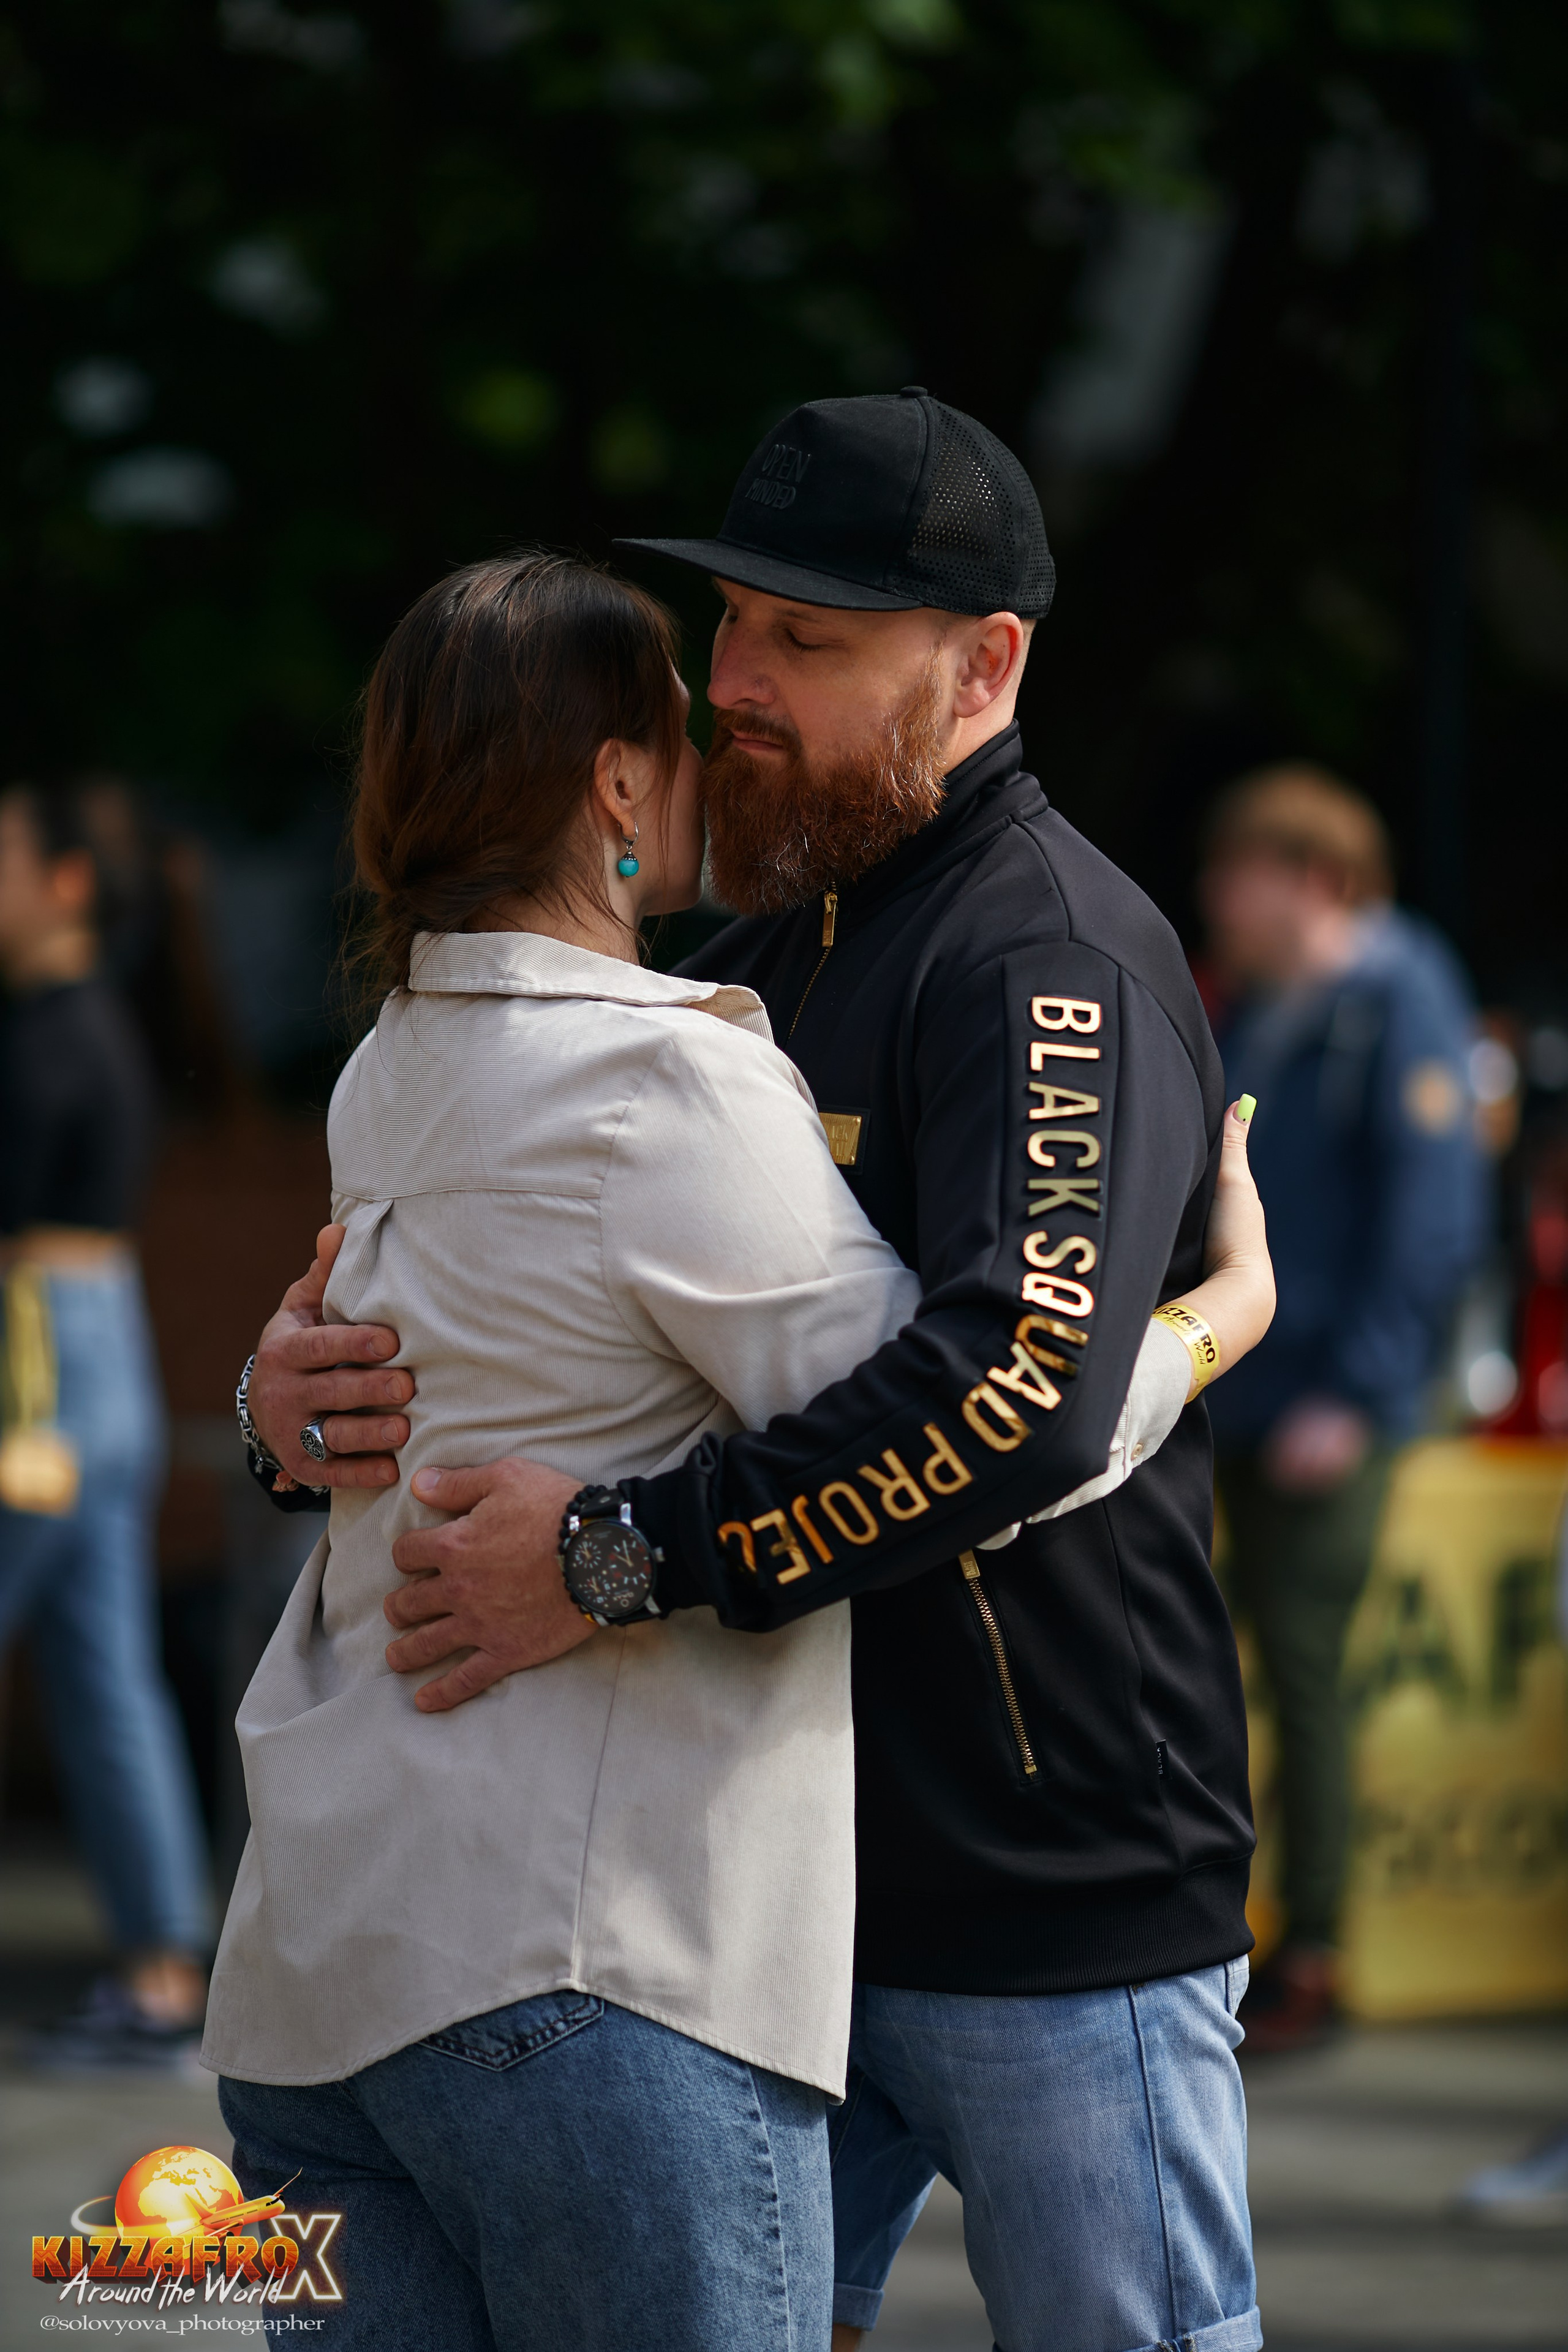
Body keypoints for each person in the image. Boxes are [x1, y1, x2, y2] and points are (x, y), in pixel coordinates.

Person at [241, 392, 1275, 2352]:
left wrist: (617, 1555)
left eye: (809, 641)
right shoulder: (741, 964)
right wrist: (290, 1406)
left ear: (984, 668)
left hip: (1046, 1890)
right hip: (765, 1890)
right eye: (731, 629)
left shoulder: (1045, 953)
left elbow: (1014, 1399)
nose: (736, 686)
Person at [1197, 764, 1486, 2051]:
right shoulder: (1272, 1004)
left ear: (1310, 876)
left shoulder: (1398, 998)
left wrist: (1361, 1394)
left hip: (1320, 1405)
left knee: (1302, 1672)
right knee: (1230, 1665)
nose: (1216, 899)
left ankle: (1311, 1948)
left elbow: (1430, 1224)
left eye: (1237, 874)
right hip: (1250, 1394)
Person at [0, 778, 210, 2067]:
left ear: (67, 882)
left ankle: (163, 1977)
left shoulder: (52, 1035)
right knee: (102, 1681)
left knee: (106, 1680)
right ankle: (160, 1977)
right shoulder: (84, 1027)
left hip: (39, 1366)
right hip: (97, 1365)